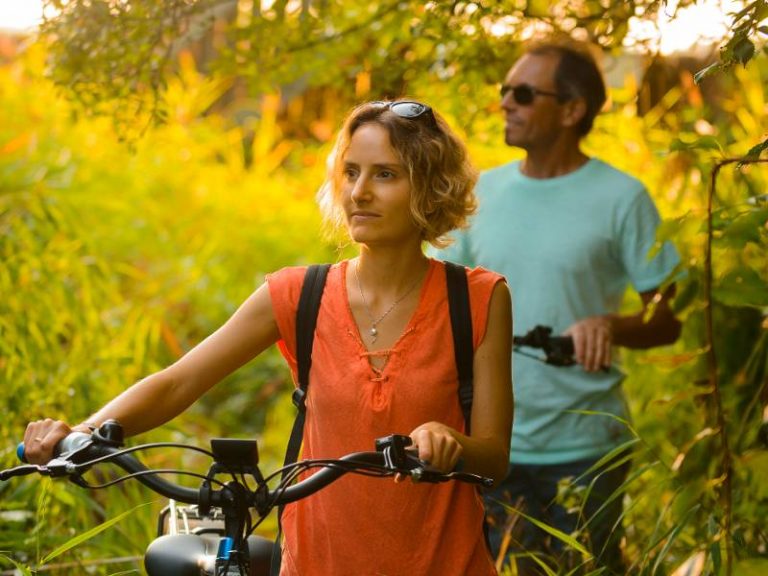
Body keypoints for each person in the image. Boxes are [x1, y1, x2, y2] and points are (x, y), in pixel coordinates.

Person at [23, 100, 514, 576]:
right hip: (318, 564)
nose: (359, 192)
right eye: (350, 172)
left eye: (385, 174)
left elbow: (493, 458)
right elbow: (178, 382)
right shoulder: (299, 294)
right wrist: (82, 435)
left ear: (431, 188)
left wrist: (451, 441)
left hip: (445, 564)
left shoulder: (477, 298)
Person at [436, 40, 682, 575]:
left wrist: (611, 325)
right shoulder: (481, 195)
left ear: (572, 111)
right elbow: (441, 306)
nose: (506, 103)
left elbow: (667, 320)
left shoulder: (624, 198)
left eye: (523, 94)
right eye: (504, 91)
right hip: (490, 445)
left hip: (588, 449)